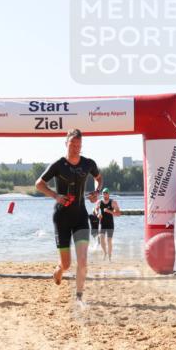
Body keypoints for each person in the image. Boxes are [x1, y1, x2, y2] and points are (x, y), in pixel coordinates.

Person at [35, 129, 102, 306]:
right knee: (66, 264)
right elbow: (39, 184)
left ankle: (79, 296)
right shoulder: (58, 164)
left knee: (83, 261)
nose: (75, 148)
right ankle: (59, 269)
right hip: (62, 219)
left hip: (80, 217)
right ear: (66, 144)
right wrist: (55, 196)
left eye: (78, 145)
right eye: (72, 144)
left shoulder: (88, 163)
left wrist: (96, 192)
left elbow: (99, 178)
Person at [96, 187, 121, 261]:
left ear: (109, 194)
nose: (105, 194)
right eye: (103, 193)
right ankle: (105, 253)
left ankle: (110, 257)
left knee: (109, 240)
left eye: (106, 193)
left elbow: (118, 214)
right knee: (101, 239)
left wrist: (109, 211)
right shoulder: (99, 202)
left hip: (110, 224)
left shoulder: (113, 202)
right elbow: (95, 209)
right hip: (102, 223)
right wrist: (97, 214)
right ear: (102, 194)